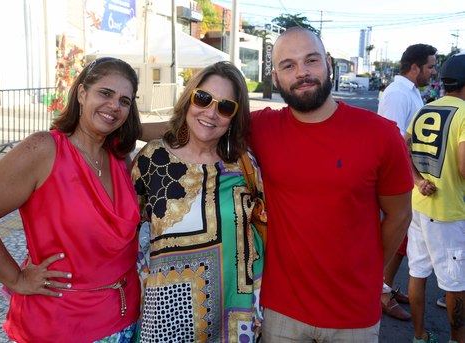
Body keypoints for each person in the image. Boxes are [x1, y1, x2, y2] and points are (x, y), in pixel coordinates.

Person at [140, 28, 414, 342]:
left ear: (327, 63)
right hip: (281, 311)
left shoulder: (380, 135)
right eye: (289, 65)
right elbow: (196, 124)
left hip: (353, 315)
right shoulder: (261, 128)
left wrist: (366, 269)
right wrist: (119, 129)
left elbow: (400, 216)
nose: (302, 72)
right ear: (275, 76)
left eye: (311, 60)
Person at [0, 57, 143, 342]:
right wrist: (15, 278)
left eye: (124, 101)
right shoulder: (44, 150)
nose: (114, 106)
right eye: (105, 93)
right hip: (60, 326)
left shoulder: (120, 157)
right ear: (81, 93)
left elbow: (171, 131)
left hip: (125, 319)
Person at [131, 61, 265, 342]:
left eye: (225, 107)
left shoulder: (243, 165)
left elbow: (262, 229)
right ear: (189, 98)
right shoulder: (152, 159)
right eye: (203, 99)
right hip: (165, 320)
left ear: (234, 118)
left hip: (232, 321)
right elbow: (123, 230)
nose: (211, 113)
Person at [405, 53, 465, 343]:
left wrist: (417, 180)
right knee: (455, 283)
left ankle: (420, 336)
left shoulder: (425, 109)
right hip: (449, 213)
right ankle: (457, 339)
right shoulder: (464, 113)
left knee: (417, 272)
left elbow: (403, 146)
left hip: (419, 206)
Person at [377, 43, 437, 321]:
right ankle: (380, 293)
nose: (433, 73)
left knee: (402, 240)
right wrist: (415, 179)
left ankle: (385, 287)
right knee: (391, 235)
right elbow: (394, 141)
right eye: (430, 67)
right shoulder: (397, 93)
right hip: (397, 179)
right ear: (415, 68)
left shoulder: (411, 91)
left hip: (408, 178)